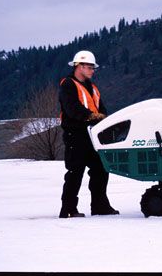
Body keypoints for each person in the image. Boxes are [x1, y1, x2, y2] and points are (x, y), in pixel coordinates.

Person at [58, 50, 119, 218]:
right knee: (74, 173)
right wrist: (92, 117)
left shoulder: (92, 88)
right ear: (79, 66)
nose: (93, 70)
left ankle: (100, 206)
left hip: (93, 136)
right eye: (90, 67)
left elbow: (102, 109)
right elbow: (72, 109)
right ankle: (68, 209)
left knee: (101, 169)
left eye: (93, 67)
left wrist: (104, 120)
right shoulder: (68, 84)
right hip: (75, 136)